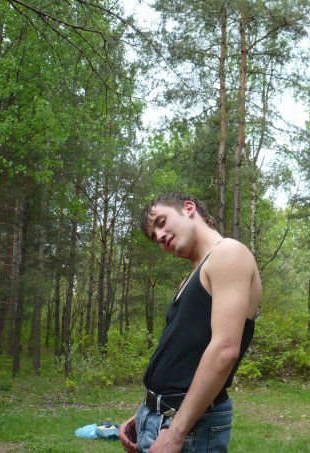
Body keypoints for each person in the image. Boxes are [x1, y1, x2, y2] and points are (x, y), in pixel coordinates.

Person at [119, 192, 262, 453]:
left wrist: (176, 432)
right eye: (155, 237)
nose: (160, 237)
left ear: (188, 208)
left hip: (191, 428)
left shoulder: (228, 253)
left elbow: (224, 349)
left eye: (161, 222)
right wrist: (149, 411)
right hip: (162, 418)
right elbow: (183, 356)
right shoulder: (192, 277)